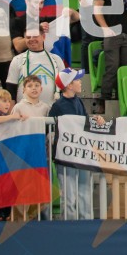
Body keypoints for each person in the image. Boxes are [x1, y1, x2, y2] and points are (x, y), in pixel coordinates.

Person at [50, 68, 104, 220]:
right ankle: (69, 225)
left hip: (81, 154)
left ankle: (86, 224)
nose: (81, 82)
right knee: (69, 194)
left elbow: (84, 121)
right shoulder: (58, 106)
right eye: (77, 80)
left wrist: (95, 119)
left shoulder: (78, 101)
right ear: (69, 85)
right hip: (66, 157)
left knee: (84, 193)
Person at [6, 29, 65, 106]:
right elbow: (11, 89)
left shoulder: (56, 59)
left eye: (35, 36)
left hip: (52, 110)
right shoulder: (17, 59)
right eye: (28, 37)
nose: (31, 39)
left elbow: (64, 87)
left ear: (43, 37)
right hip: (25, 112)